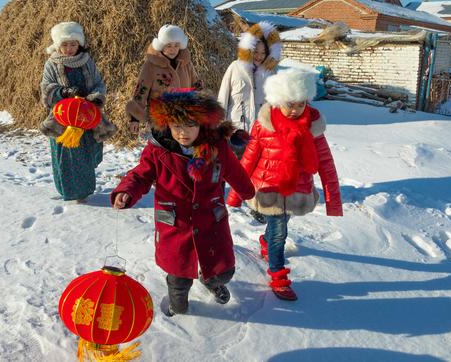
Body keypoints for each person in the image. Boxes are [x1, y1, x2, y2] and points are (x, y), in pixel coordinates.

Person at [112, 89, 254, 316]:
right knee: (179, 276)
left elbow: (235, 173)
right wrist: (127, 191)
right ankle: (177, 306)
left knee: (221, 268)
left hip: (210, 218)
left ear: (202, 124)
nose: (182, 133)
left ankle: (212, 281)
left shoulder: (217, 147)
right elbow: (140, 174)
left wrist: (249, 193)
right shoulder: (158, 150)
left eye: (189, 125)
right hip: (175, 222)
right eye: (176, 126)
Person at [227, 68, 343, 301]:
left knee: (278, 228)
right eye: (289, 103)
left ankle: (265, 241)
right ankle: (278, 277)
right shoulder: (265, 125)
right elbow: (249, 158)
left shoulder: (313, 128)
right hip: (267, 188)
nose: (294, 109)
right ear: (278, 100)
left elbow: (326, 164)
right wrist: (235, 194)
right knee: (280, 232)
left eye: (300, 104)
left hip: (296, 190)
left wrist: (333, 201)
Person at [40, 21, 115, 202]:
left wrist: (96, 97)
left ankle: (85, 190)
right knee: (67, 156)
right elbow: (46, 88)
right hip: (63, 118)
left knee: (87, 154)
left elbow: (99, 83)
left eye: (73, 44)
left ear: (79, 44)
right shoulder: (52, 64)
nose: (69, 48)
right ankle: (72, 192)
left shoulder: (87, 62)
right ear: (58, 45)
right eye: (65, 45)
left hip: (86, 117)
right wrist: (63, 92)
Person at [217, 21, 282, 223]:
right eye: (256, 52)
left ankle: (257, 206)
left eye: (263, 53)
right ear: (248, 50)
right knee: (227, 167)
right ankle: (217, 202)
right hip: (236, 129)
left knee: (259, 172)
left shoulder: (270, 72)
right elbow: (223, 97)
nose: (259, 57)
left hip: (261, 131)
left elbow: (276, 101)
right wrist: (219, 125)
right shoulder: (235, 68)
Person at [126, 24, 201, 134]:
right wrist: (134, 118)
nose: (173, 49)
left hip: (185, 118)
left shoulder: (186, 63)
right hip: (160, 120)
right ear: (161, 45)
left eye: (176, 45)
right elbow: (141, 90)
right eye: (169, 45)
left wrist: (202, 109)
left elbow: (197, 86)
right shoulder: (151, 65)